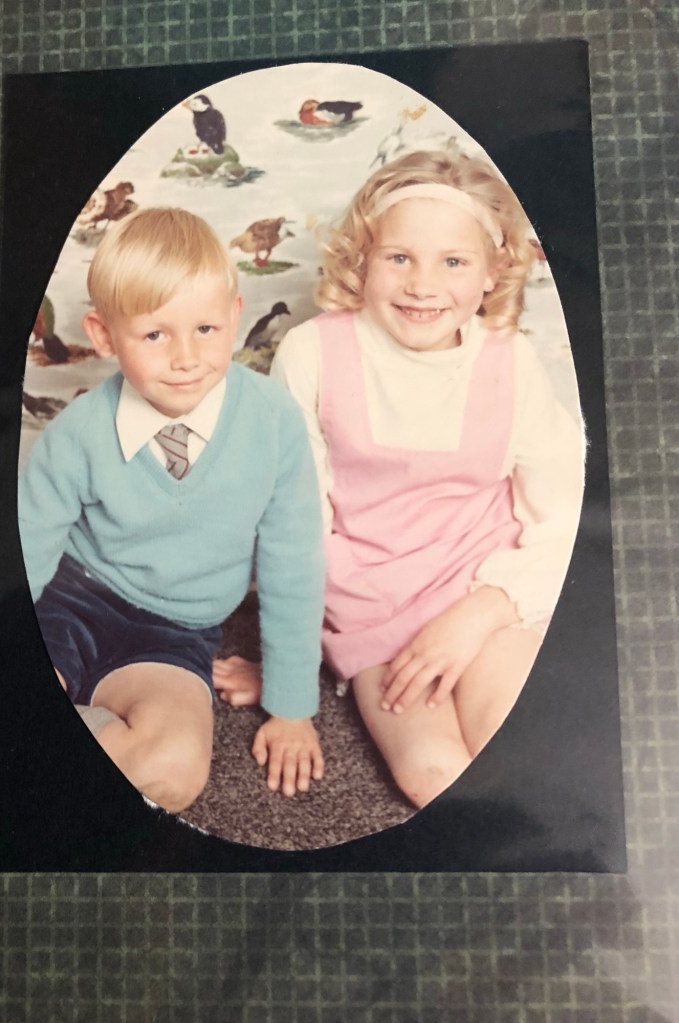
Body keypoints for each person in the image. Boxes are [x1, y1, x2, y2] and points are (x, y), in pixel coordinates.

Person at [214, 149, 584, 808]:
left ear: (490, 272)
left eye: (452, 261)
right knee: (433, 776)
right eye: (398, 258)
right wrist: (288, 675)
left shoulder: (512, 361)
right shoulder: (312, 352)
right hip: (371, 610)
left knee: (527, 742)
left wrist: (484, 610)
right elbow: (294, 527)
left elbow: (564, 513)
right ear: (360, 259)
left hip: (481, 590)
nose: (422, 285)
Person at [19, 207, 325, 812]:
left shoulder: (274, 422)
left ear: (235, 318)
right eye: (155, 335)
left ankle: (49, 760)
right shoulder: (78, 433)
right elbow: (25, 550)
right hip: (70, 598)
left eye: (206, 330)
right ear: (104, 337)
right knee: (0, 702)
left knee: (176, 772)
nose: (186, 357)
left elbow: (295, 564)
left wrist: (292, 707)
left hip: (175, 633)